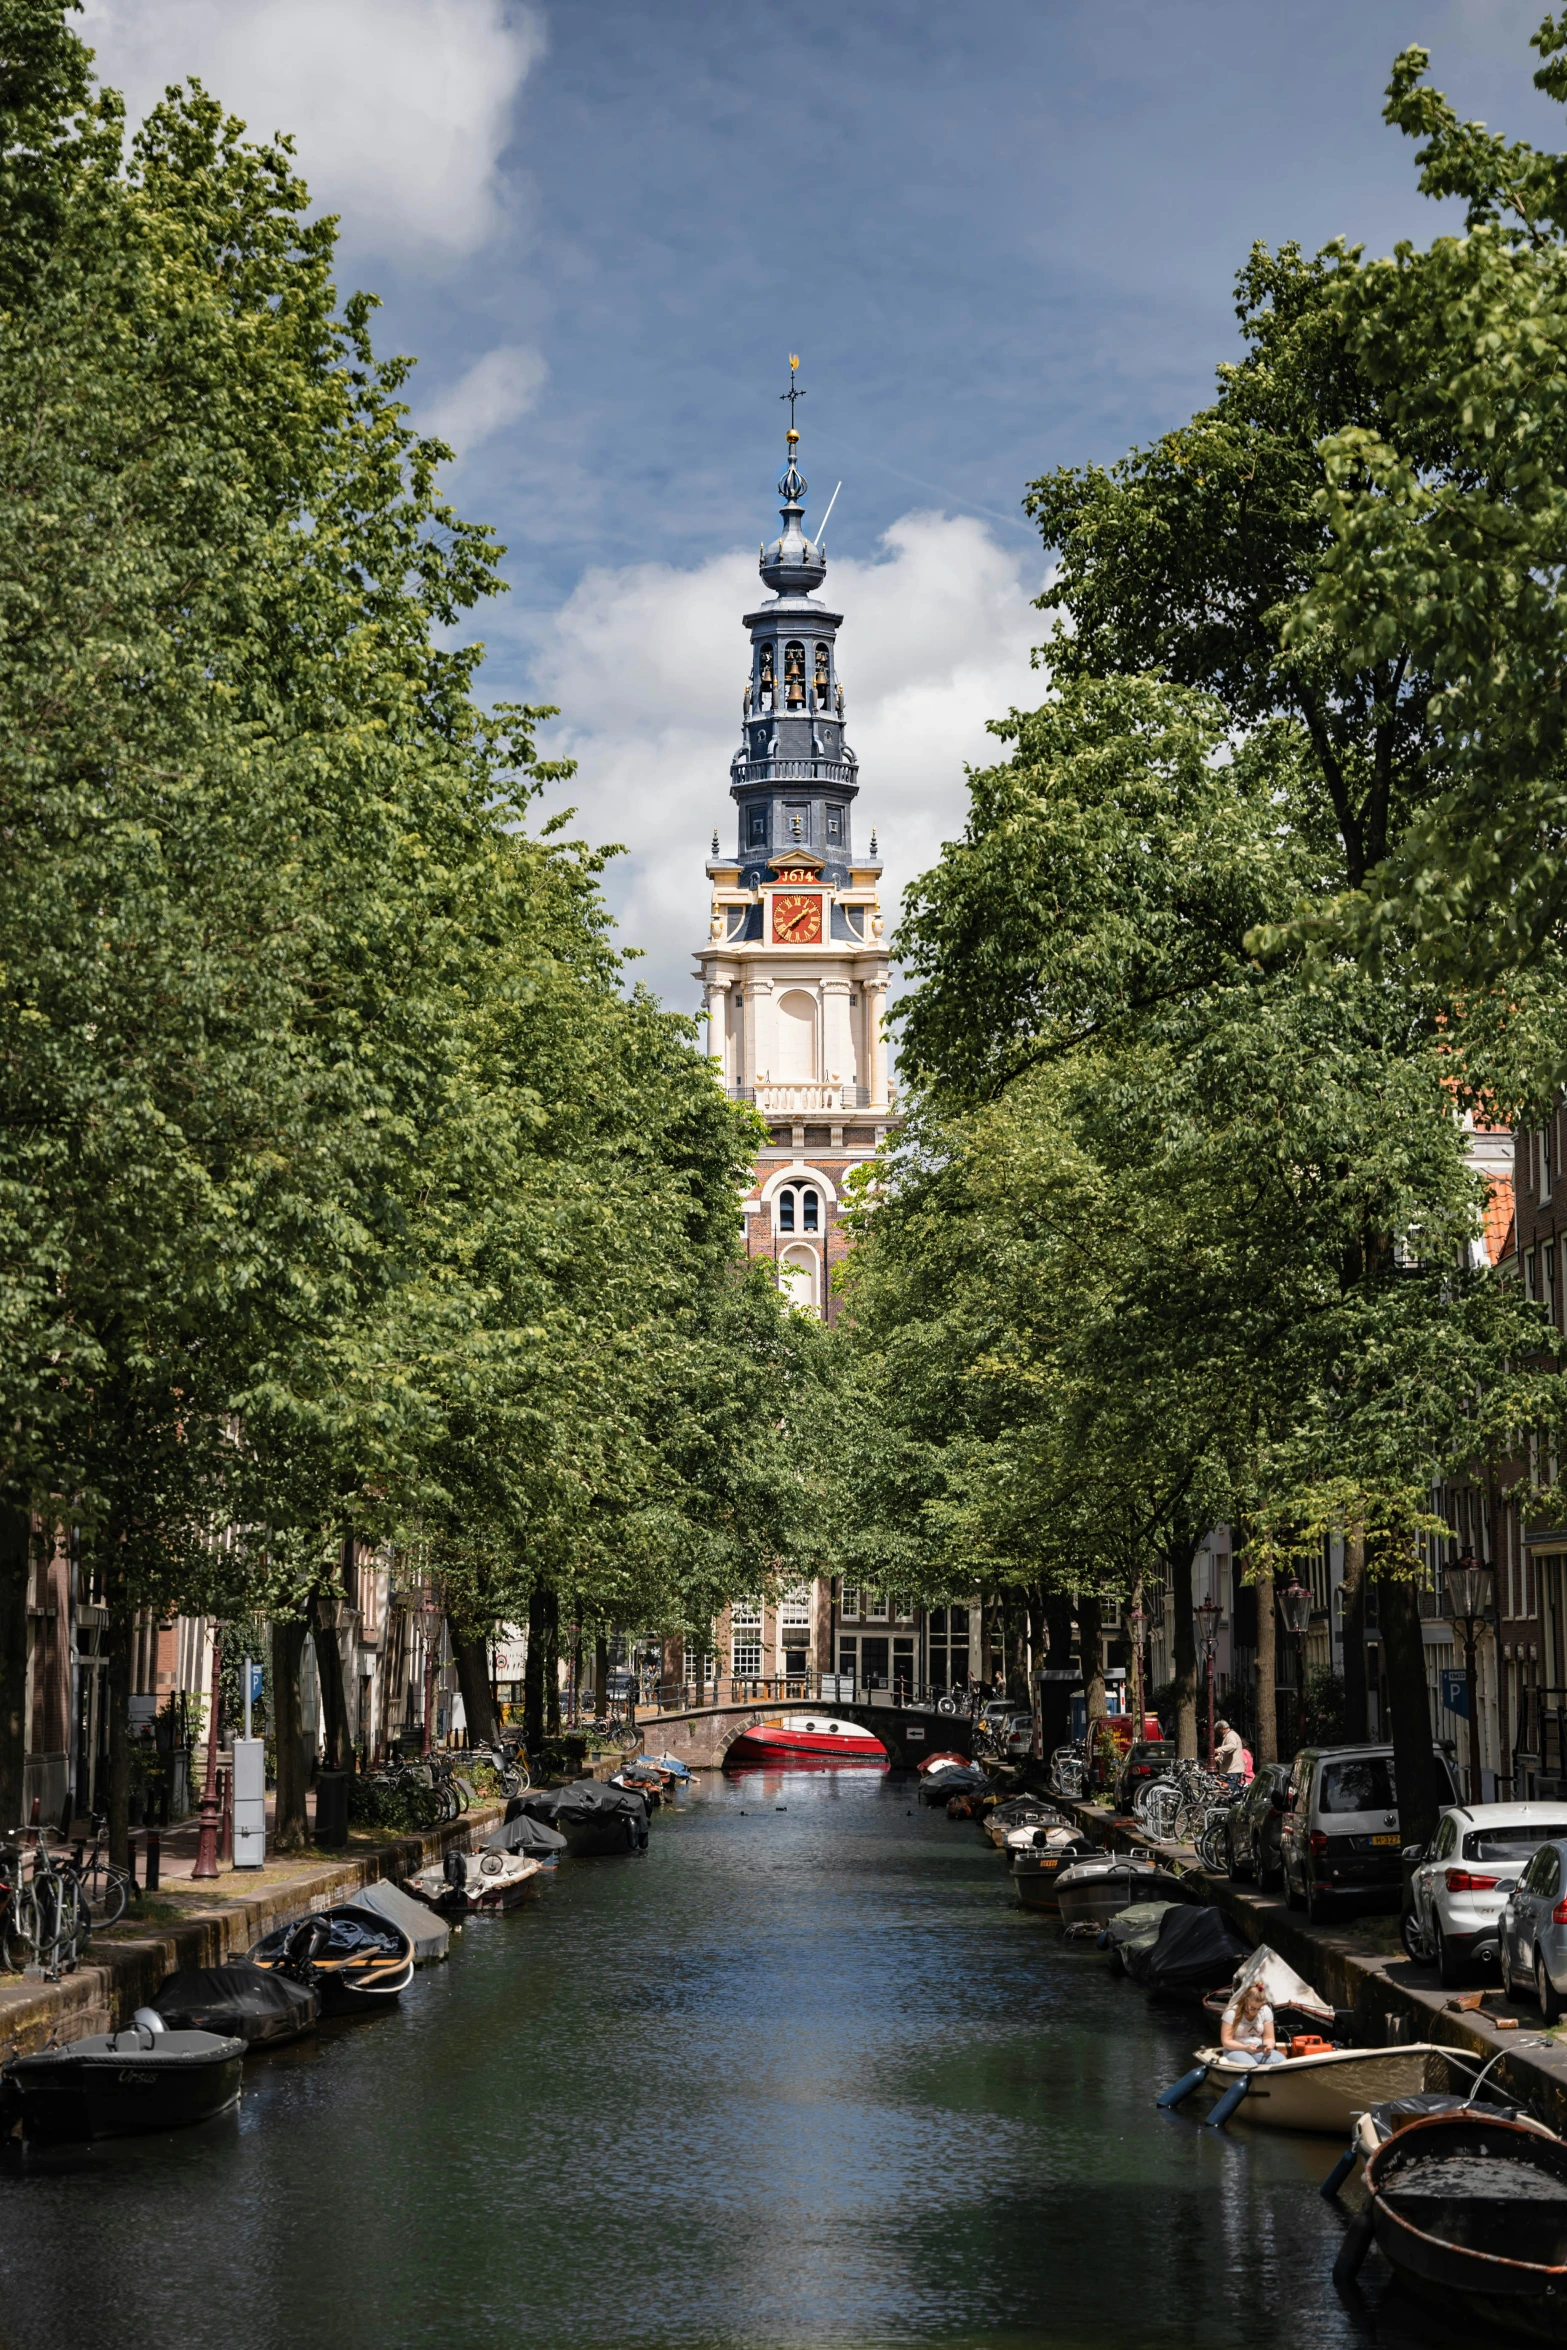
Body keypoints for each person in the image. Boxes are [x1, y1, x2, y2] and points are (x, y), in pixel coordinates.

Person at [1219, 1977, 1279, 2067]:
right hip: (1235, 2050)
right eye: (1252, 2008)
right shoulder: (1231, 2013)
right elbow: (1226, 2041)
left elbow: (1269, 2037)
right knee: (1251, 2065)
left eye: (1259, 2009)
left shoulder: (1266, 2011)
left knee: (1280, 2061)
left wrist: (1269, 2046)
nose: (1255, 2011)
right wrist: (1245, 2048)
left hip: (1258, 2049)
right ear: (1245, 2000)